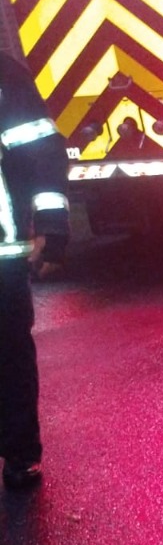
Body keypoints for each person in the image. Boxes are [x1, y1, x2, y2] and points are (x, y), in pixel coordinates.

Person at [0, 52, 69, 491]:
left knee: (8, 353)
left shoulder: (4, 75)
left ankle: (21, 454)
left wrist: (52, 229)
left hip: (2, 256)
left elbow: (43, 153)